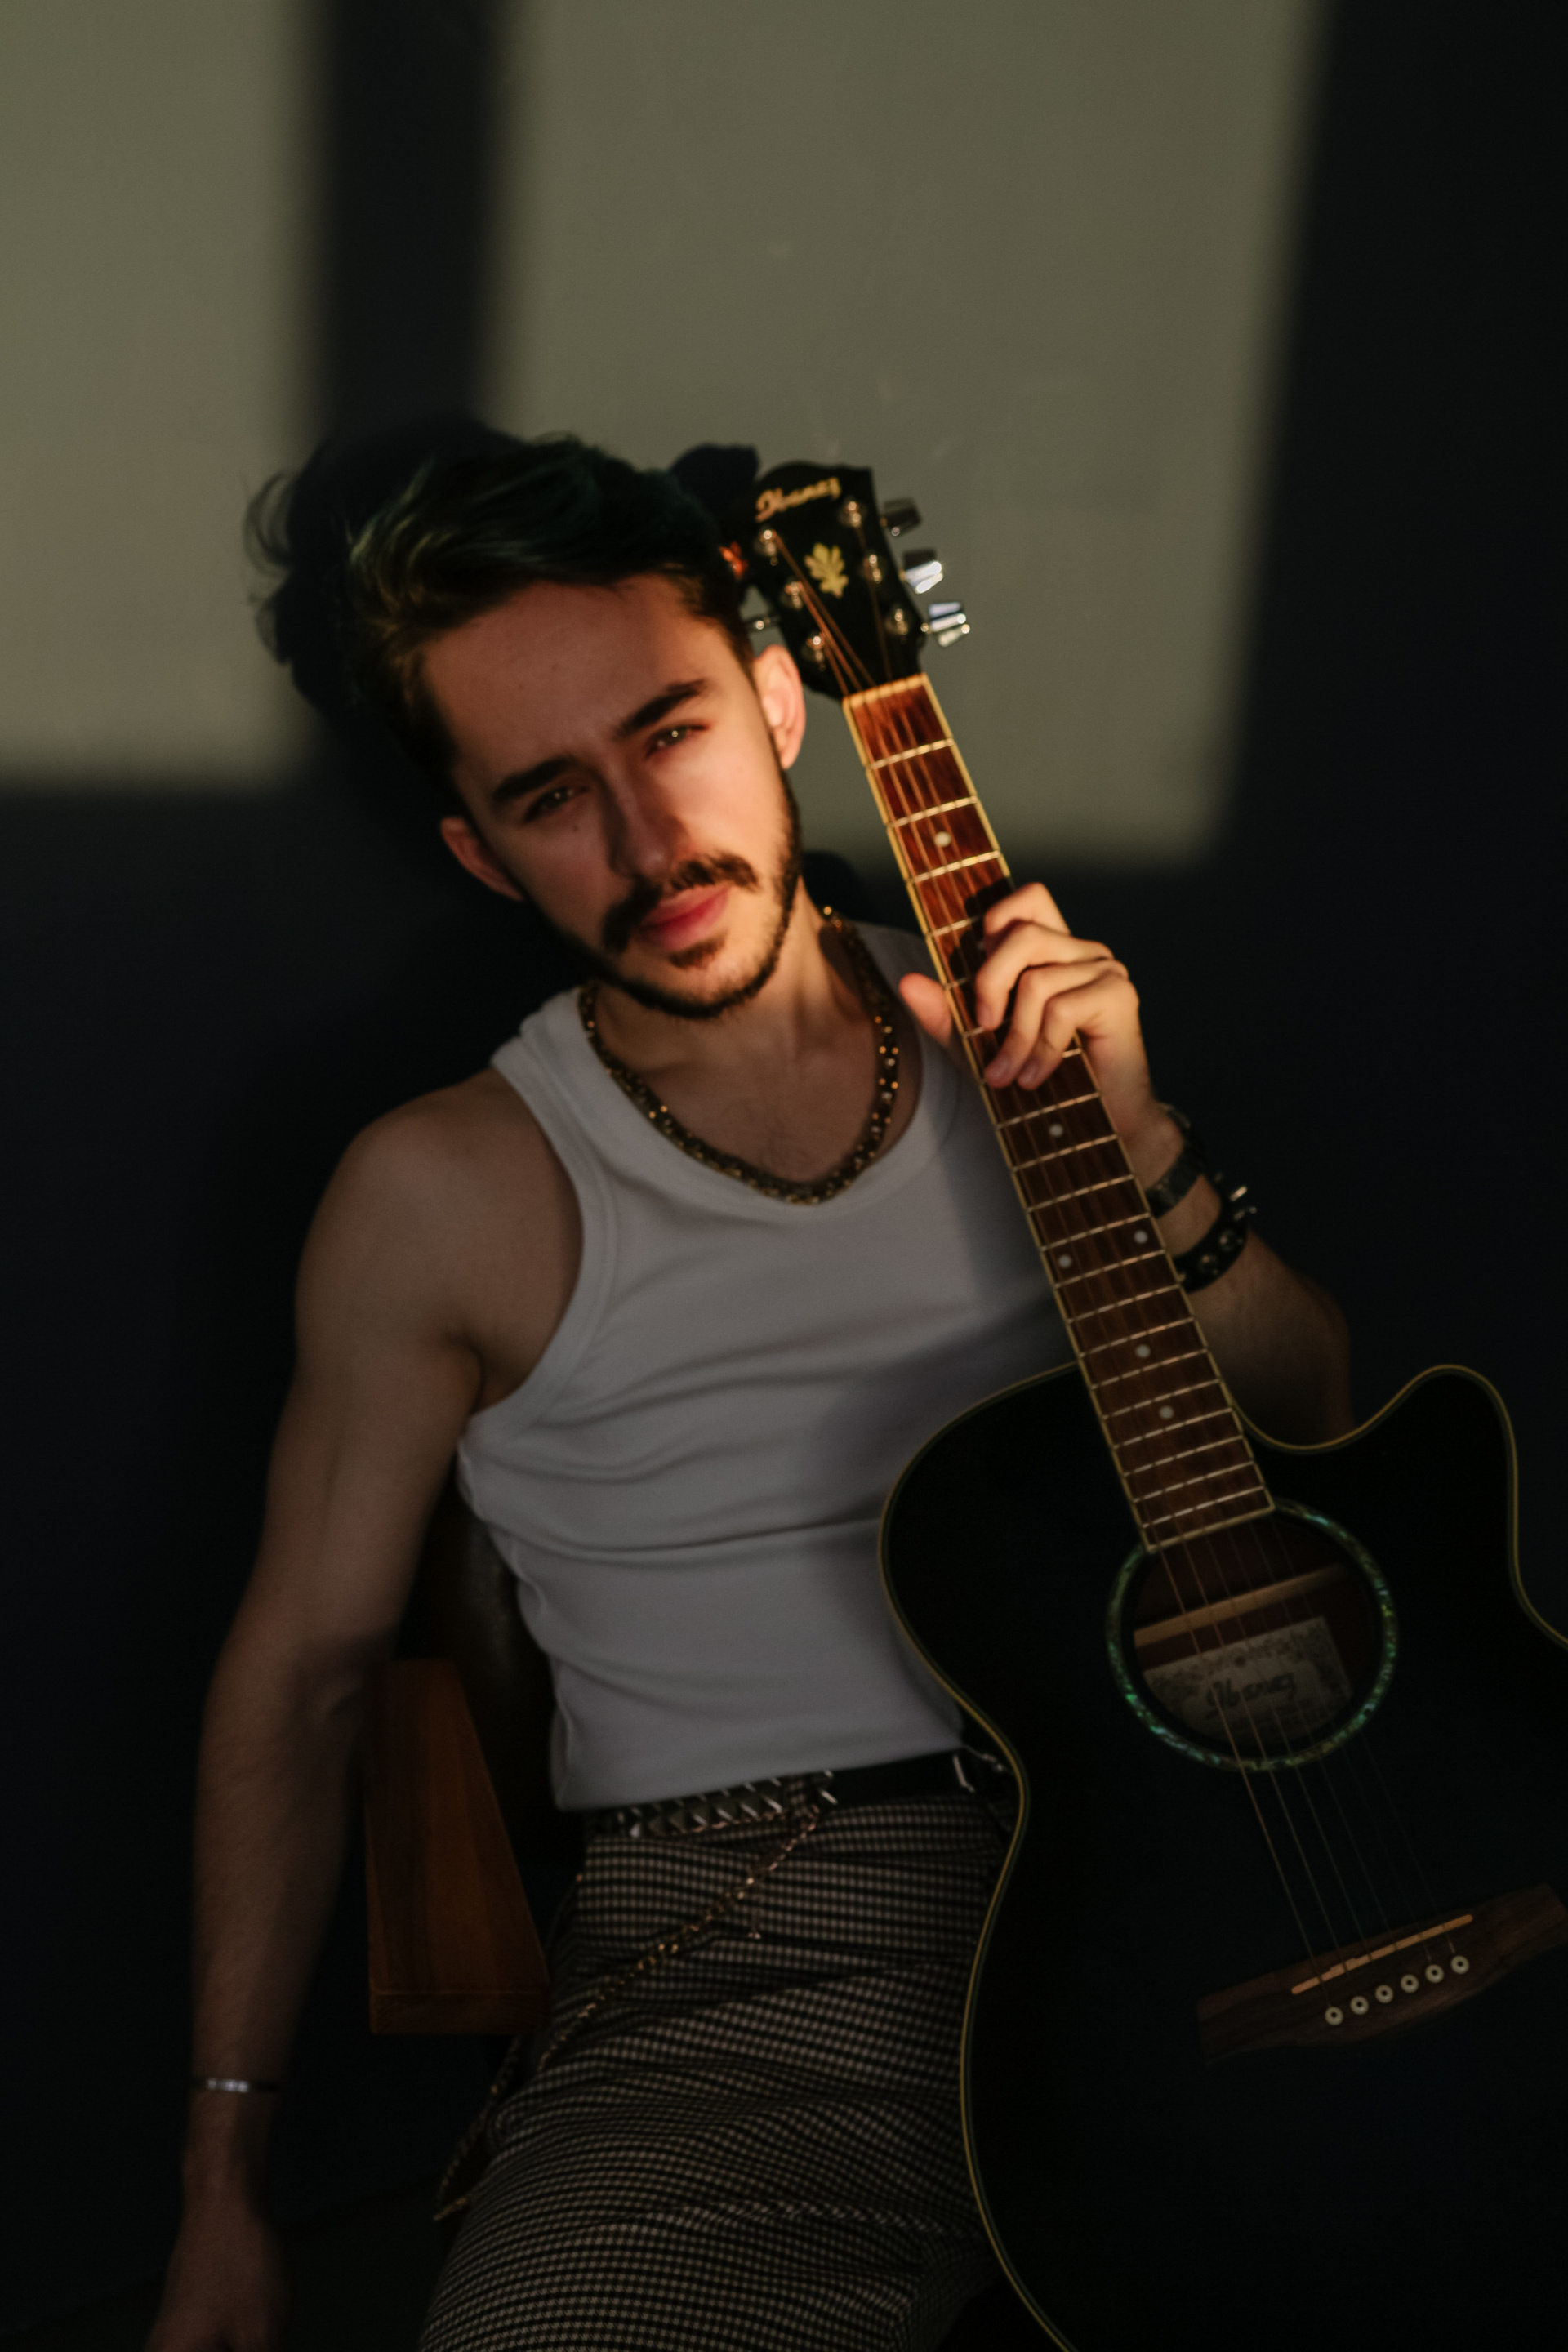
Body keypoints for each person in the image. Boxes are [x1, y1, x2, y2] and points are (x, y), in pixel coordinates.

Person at [149, 431, 1352, 2352]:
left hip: (1179, 1866)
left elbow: (1313, 1433)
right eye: (553, 797)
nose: (648, 845)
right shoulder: (441, 1193)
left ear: (782, 704)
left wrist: (1140, 1151)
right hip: (755, 1965)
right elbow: (299, 1677)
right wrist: (220, 2188)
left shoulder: (1016, 1018)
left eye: (672, 733)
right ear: (479, 853)